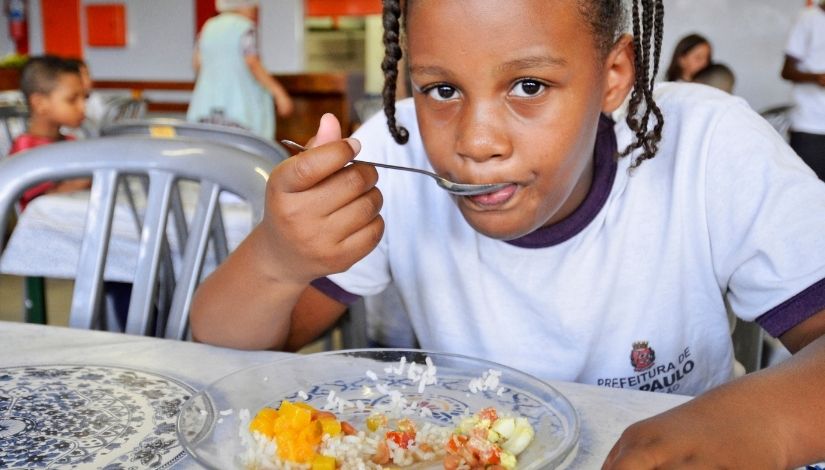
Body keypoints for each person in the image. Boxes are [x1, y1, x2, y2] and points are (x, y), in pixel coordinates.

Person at [190, 0, 825, 467]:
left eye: (528, 86)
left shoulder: (709, 146)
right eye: (441, 89)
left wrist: (765, 421)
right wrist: (277, 258)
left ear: (613, 74)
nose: (476, 142)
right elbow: (223, 341)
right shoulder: (393, 153)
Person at [186, 0, 294, 140]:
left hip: (206, 108)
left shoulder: (208, 27)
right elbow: (252, 62)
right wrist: (279, 94)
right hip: (239, 108)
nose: (255, 11)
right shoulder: (245, 28)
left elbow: (197, 63)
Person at [10, 55, 89, 210]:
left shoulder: (70, 141)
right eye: (72, 99)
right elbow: (36, 204)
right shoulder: (25, 149)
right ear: (40, 104)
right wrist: (83, 181)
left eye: (84, 98)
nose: (83, 108)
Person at [781, 0, 825, 181]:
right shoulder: (808, 18)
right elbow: (786, 71)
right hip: (809, 125)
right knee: (810, 193)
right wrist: (817, 78)